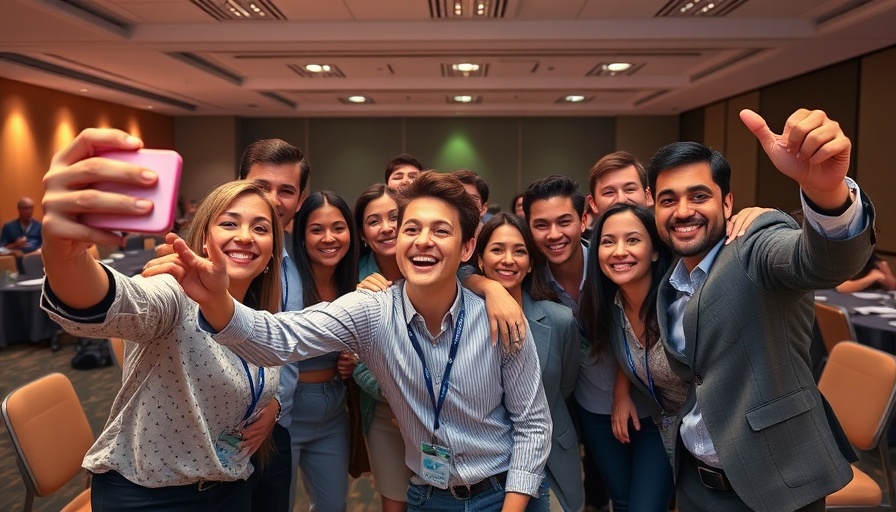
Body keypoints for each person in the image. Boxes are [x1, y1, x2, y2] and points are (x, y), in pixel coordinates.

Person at [162, 171, 552, 511]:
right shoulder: (372, 311)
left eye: (441, 231)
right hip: (429, 497)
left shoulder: (500, 318)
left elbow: (533, 425)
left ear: (467, 248)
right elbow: (279, 337)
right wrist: (217, 300)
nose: (423, 241)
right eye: (411, 229)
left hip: (507, 494)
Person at [40, 130, 283, 510]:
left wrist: (271, 404)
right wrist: (65, 255)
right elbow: (116, 302)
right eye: (230, 223)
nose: (246, 237)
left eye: (261, 228)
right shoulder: (174, 293)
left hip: (229, 487)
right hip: (148, 497)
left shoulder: (260, 317)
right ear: (204, 239)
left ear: (272, 254)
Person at [648, 108, 875, 511]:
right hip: (695, 482)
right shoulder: (670, 282)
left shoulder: (754, 245)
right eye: (669, 200)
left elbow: (822, 263)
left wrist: (826, 193)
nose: (683, 211)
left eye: (699, 196)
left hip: (776, 483)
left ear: (728, 201)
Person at [146, 138, 312, 512]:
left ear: (300, 199)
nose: (272, 198)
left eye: (285, 190)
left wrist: (274, 407)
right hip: (200, 433)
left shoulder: (307, 257)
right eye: (261, 186)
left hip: (271, 426)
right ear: (238, 186)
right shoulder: (193, 268)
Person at [474, 212, 583, 512]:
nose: (508, 259)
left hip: (551, 459)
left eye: (519, 251)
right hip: (484, 464)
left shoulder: (560, 320)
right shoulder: (463, 321)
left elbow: (565, 386)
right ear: (480, 260)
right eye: (497, 249)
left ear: (531, 262)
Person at [579, 203, 679, 511]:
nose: (619, 251)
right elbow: (632, 353)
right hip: (660, 419)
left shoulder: (679, 304)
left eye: (632, 240)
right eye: (608, 242)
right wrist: (621, 393)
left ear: (655, 251)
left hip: (699, 431)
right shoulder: (613, 304)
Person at [280, 190, 359, 511]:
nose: (329, 238)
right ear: (302, 235)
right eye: (316, 229)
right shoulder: (287, 280)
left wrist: (355, 358)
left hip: (333, 411)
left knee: (333, 506)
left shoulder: (354, 278)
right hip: (287, 410)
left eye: (338, 228)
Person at [352, 184, 415, 512]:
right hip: (382, 411)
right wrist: (401, 396)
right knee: (394, 501)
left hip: (437, 412)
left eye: (394, 217)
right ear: (362, 233)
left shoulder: (427, 263)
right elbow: (356, 362)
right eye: (374, 221)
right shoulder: (352, 279)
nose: (387, 227)